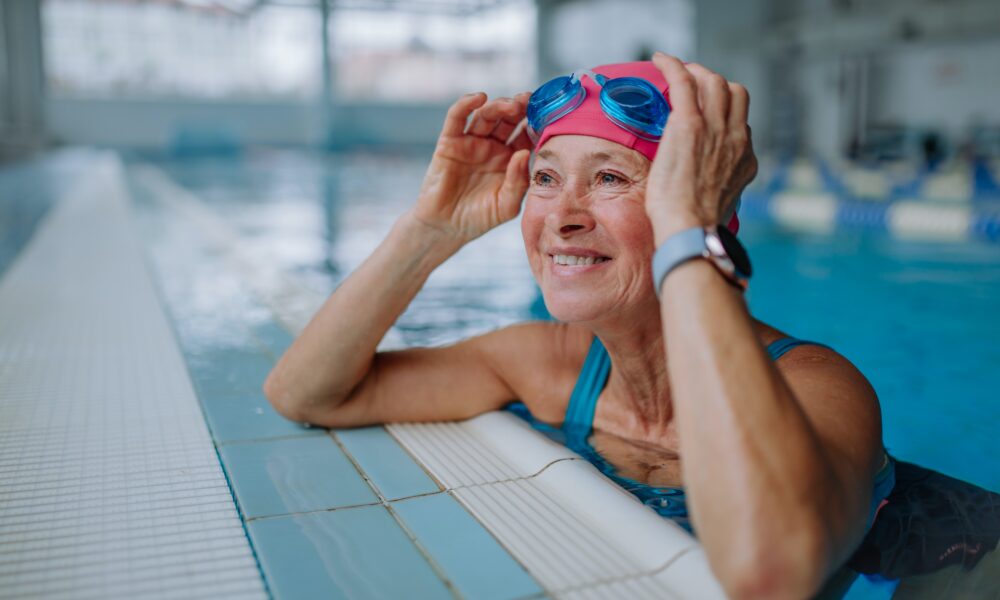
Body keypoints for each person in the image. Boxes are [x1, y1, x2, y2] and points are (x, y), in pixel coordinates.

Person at [263, 53, 893, 599]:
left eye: (611, 178)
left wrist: (688, 228)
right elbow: (307, 394)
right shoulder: (551, 364)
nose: (562, 216)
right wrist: (432, 230)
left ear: (704, 210)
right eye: (546, 178)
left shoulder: (816, 387)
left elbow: (771, 574)